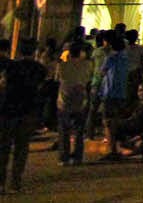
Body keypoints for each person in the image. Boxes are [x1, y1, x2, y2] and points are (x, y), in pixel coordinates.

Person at [0, 40, 46, 192]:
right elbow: (40, 89)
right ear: (35, 52)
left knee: (4, 147)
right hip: (28, 111)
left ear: (19, 51)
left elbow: (4, 85)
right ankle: (16, 182)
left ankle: (1, 182)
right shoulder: (40, 69)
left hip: (9, 110)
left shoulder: (11, 66)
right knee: (21, 147)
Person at [57, 40, 94, 165]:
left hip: (64, 99)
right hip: (80, 99)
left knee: (64, 130)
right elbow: (89, 79)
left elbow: (58, 79)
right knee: (79, 130)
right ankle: (78, 157)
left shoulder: (62, 65)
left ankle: (64, 157)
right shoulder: (87, 65)